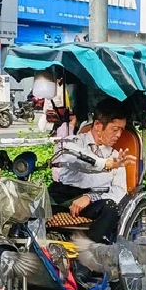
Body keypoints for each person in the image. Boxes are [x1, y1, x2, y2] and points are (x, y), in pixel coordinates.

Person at [48, 98, 136, 244]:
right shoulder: (72, 142)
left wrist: (90, 197)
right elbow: (79, 158)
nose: (119, 135)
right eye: (115, 129)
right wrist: (105, 164)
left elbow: (119, 192)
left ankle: (88, 252)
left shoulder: (116, 156)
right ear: (97, 125)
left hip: (94, 201)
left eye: (122, 130)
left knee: (111, 208)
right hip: (62, 197)